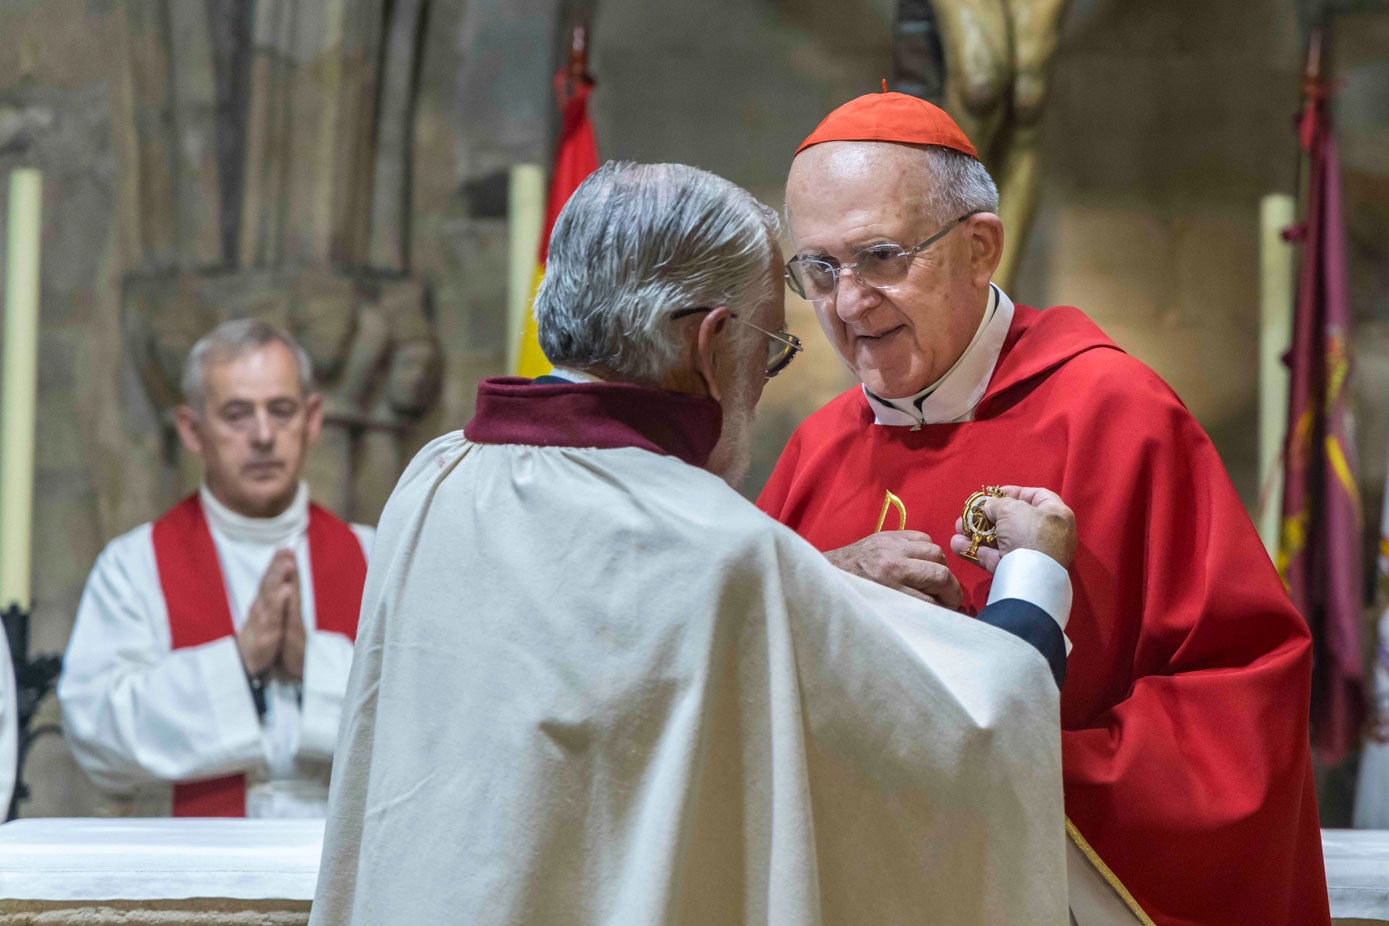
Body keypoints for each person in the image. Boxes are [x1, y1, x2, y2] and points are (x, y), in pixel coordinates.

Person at [313, 161, 1081, 925]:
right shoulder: (715, 548)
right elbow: (971, 742)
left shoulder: (431, 482)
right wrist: (1030, 575)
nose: (762, 373)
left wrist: (812, 583)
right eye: (770, 348)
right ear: (712, 345)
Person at [757, 91, 1329, 925]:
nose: (847, 305)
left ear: (980, 246)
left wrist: (996, 775)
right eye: (817, 269)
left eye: (880, 257)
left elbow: (1239, 704)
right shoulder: (816, 449)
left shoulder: (1113, 415)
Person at [58, 319, 372, 818]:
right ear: (192, 430)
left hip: (342, 866)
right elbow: (94, 732)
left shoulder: (375, 558)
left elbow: (430, 724)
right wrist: (239, 661)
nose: (264, 435)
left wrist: (312, 665)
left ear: (313, 419)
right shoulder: (133, 567)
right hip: (190, 864)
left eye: (282, 411)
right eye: (237, 414)